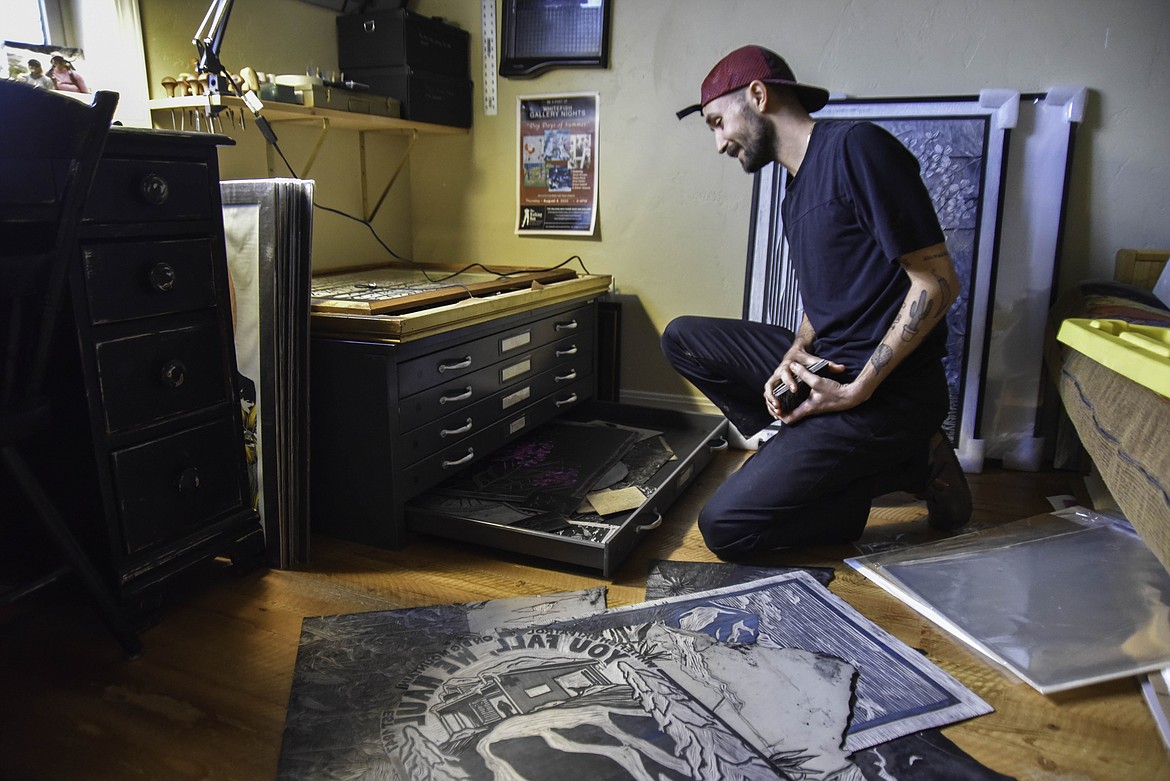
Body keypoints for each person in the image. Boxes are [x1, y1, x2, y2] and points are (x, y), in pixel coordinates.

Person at [665, 45, 971, 558]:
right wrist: (795, 352)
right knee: (684, 338)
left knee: (726, 528)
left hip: (888, 394)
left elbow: (937, 283)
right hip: (830, 366)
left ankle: (912, 460)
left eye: (719, 122)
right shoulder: (794, 191)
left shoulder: (858, 149)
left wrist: (856, 392)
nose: (719, 142)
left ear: (758, 96)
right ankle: (802, 450)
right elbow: (831, 294)